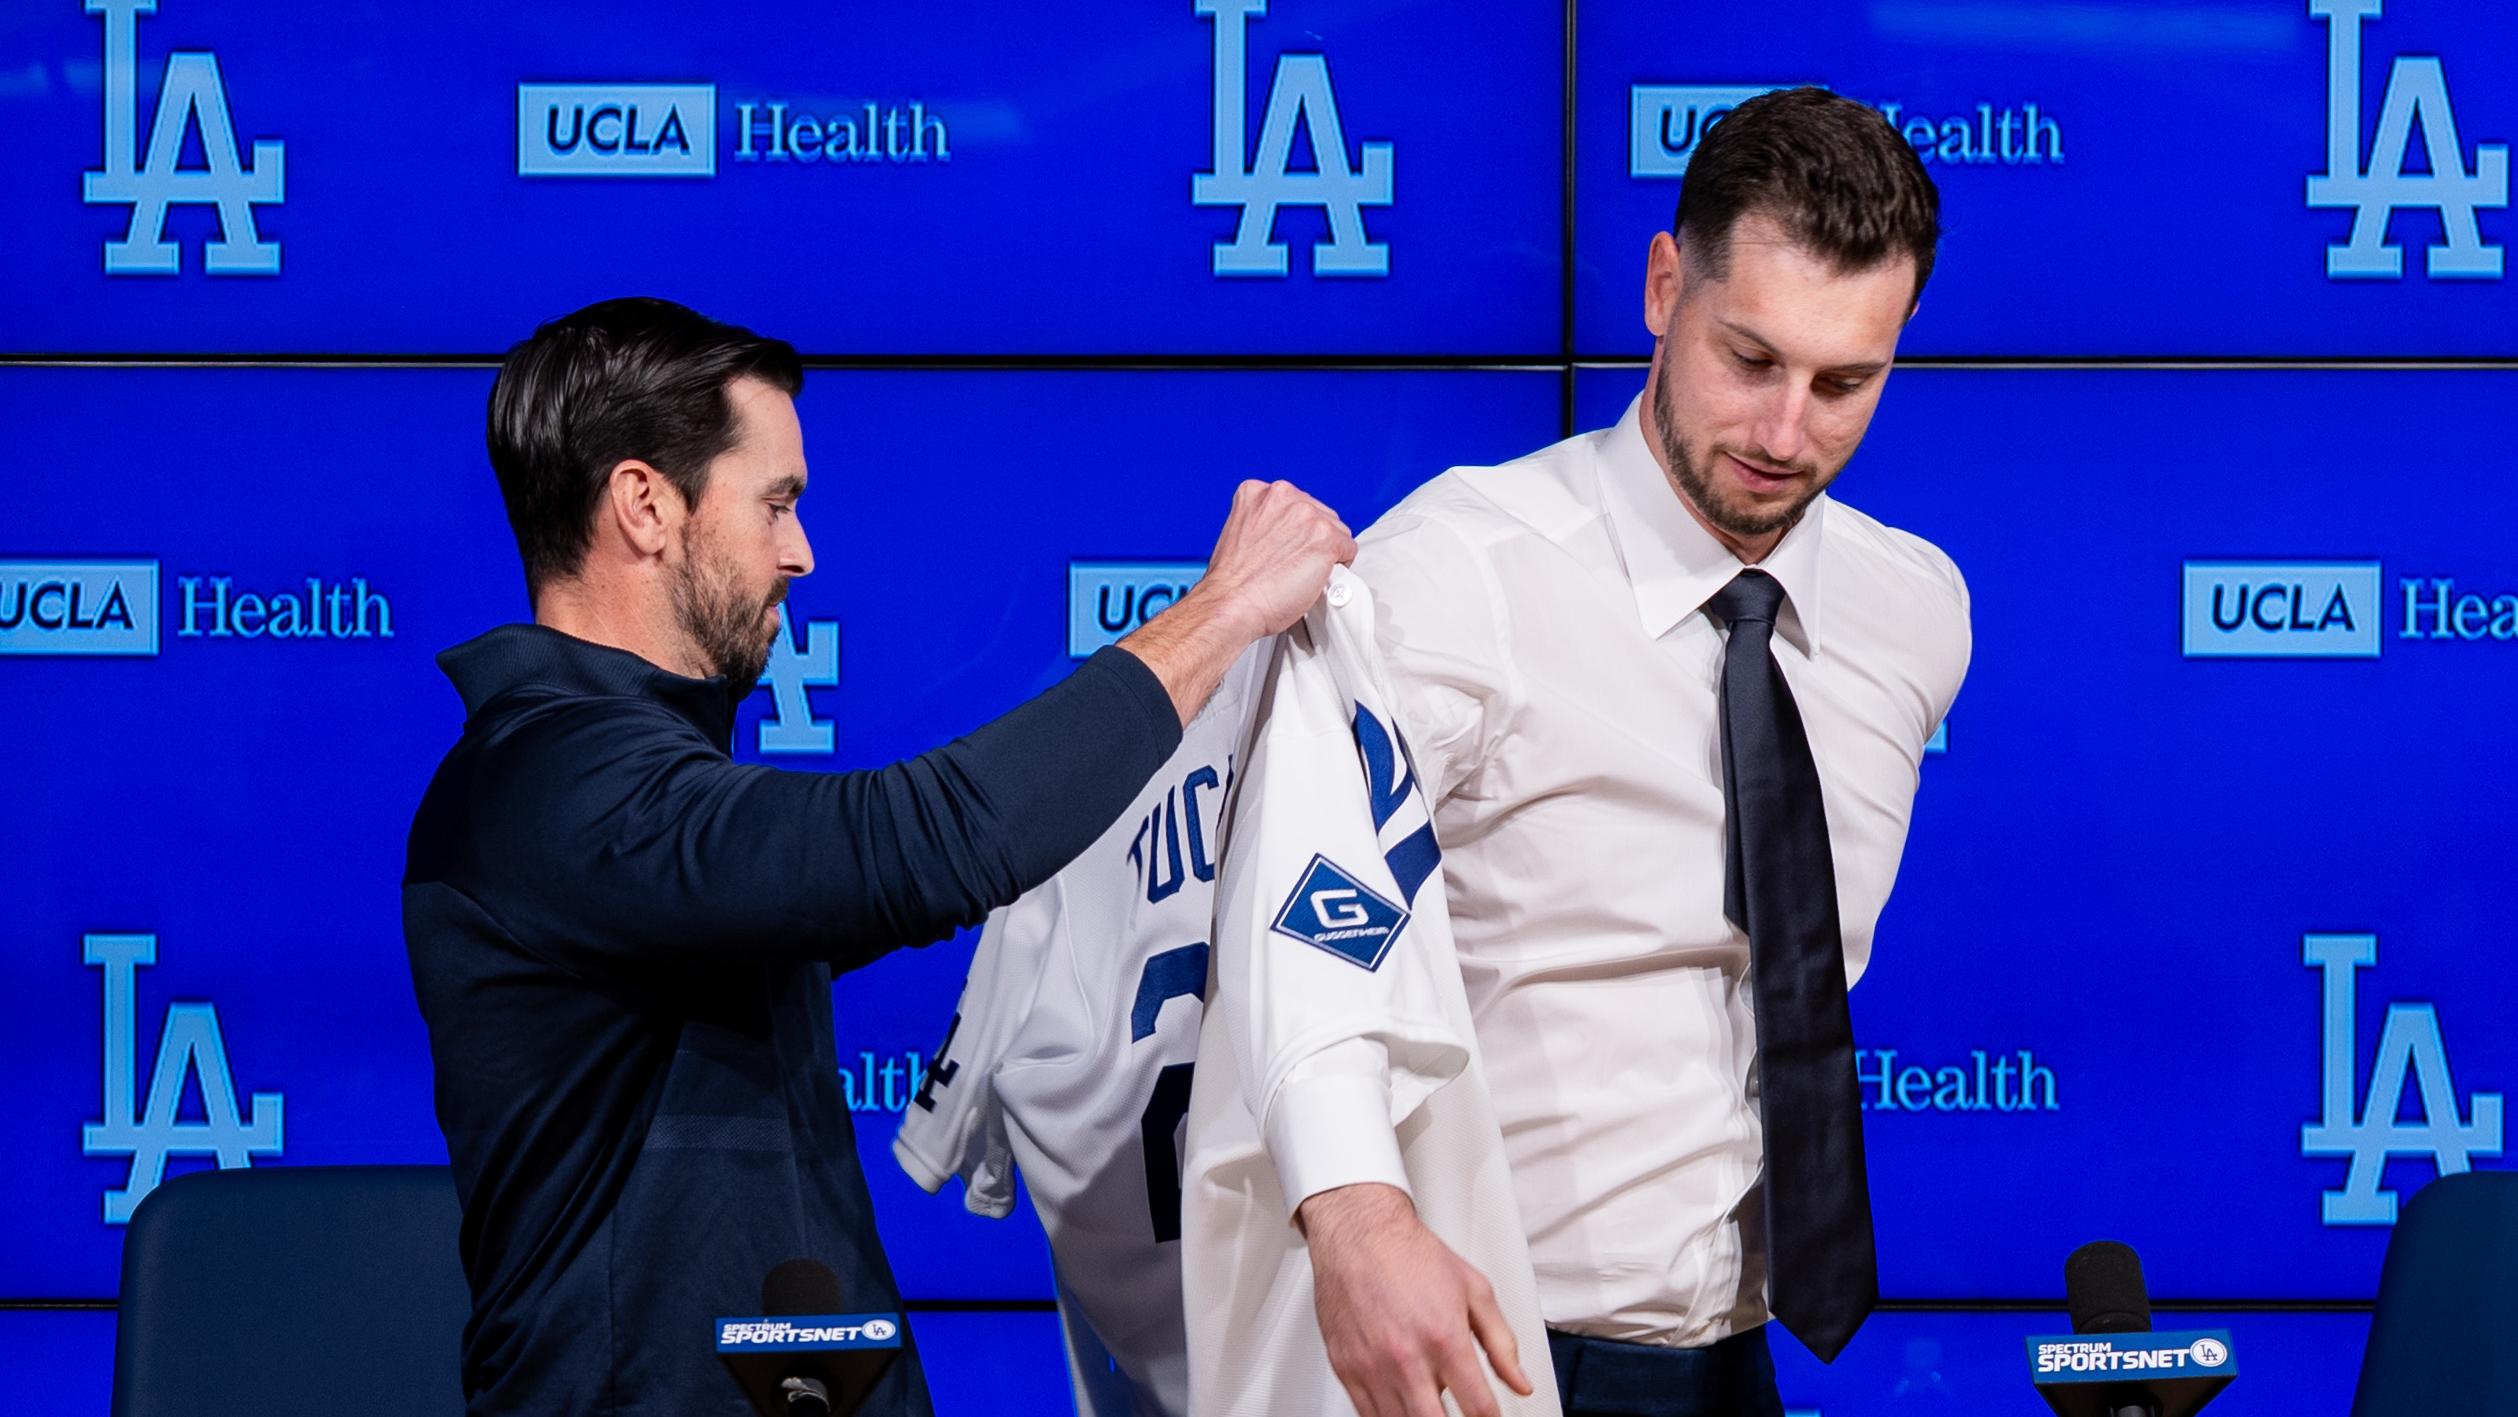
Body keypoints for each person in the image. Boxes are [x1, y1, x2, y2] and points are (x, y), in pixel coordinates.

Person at [401, 296, 1351, 1416]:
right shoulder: (548, 784)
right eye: (775, 503)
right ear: (645, 505)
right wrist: (1223, 612)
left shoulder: (621, 787)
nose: (800, 552)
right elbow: (931, 838)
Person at [1268, 87, 1971, 1416]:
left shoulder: (1914, 613)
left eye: (1843, 383)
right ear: (1661, 287)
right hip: (1480, 1352)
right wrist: (1354, 1219)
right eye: (1749, 359)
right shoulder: (1454, 576)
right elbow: (1293, 917)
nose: (1784, 434)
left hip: (1740, 1357)